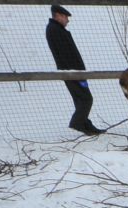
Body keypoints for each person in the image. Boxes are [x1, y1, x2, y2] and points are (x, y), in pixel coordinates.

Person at [45, 5, 102, 136]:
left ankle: (86, 125)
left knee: (80, 99)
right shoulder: (55, 30)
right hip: (72, 72)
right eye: (65, 17)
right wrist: (77, 72)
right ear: (58, 15)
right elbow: (66, 54)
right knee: (87, 99)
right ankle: (77, 123)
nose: (67, 20)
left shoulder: (56, 29)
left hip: (74, 71)